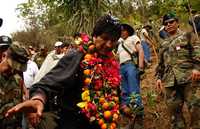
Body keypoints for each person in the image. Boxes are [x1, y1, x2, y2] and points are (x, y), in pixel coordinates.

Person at [6, 15, 122, 129]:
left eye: (113, 40)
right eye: (105, 38)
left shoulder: (110, 61)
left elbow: (113, 92)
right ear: (95, 35)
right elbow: (46, 84)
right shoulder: (77, 56)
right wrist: (38, 99)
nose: (109, 44)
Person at [156, 13, 200, 129]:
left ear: (177, 23)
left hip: (189, 78)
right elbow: (160, 64)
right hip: (170, 83)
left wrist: (197, 68)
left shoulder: (188, 35)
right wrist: (159, 78)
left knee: (195, 108)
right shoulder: (163, 44)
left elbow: (197, 52)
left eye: (171, 22)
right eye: (166, 24)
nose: (168, 25)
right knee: (175, 116)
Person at [117, 23, 144, 128]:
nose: (122, 32)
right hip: (121, 68)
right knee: (125, 92)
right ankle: (131, 119)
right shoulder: (119, 44)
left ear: (128, 31)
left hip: (130, 65)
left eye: (124, 30)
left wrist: (140, 66)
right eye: (120, 31)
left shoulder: (133, 37)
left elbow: (140, 50)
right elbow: (117, 57)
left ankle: (139, 118)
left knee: (134, 90)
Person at [0, 43, 29, 129]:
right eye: (13, 64)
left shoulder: (18, 79)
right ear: (4, 56)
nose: (16, 69)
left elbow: (18, 105)